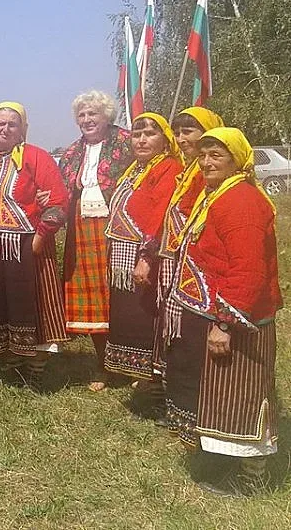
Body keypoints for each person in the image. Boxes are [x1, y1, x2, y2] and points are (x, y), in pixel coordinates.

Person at [165, 127, 281, 495]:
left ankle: (253, 480)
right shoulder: (215, 196)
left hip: (242, 319)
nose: (206, 162)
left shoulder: (242, 202)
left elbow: (248, 269)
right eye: (203, 155)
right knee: (225, 394)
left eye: (217, 155)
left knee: (245, 397)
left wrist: (226, 324)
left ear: (238, 160)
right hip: (224, 312)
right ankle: (230, 466)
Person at [0, 102, 68, 387]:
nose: (5, 129)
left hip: (28, 242)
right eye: (0, 123)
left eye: (13, 124)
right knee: (0, 301)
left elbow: (58, 200)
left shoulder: (36, 157)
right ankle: (12, 359)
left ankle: (36, 364)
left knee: (32, 302)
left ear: (23, 129)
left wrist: (41, 235)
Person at [58, 91, 133, 391]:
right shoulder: (72, 152)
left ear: (107, 116)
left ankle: (134, 366)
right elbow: (61, 191)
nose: (87, 120)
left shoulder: (127, 142)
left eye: (93, 114)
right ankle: (104, 365)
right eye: (82, 115)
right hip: (82, 231)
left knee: (122, 296)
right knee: (94, 299)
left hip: (119, 229)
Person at [103, 112, 182, 389]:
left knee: (144, 313)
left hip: (144, 256)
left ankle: (149, 374)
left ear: (165, 139)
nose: (142, 140)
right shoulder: (135, 168)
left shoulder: (168, 168)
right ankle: (127, 370)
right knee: (126, 311)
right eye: (137, 134)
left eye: (150, 134)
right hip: (122, 255)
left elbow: (159, 215)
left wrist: (146, 258)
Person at [154, 107, 223, 376]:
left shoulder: (210, 172)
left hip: (200, 261)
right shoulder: (189, 168)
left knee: (192, 322)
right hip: (178, 259)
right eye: (178, 132)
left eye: (189, 131)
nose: (182, 139)